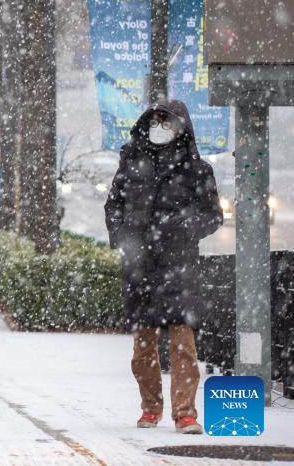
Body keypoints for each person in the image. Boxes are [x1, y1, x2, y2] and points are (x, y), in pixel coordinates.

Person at [104, 100, 223, 435]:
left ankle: (185, 413)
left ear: (180, 127)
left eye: (167, 122)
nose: (160, 127)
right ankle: (150, 407)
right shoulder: (132, 162)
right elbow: (114, 203)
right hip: (139, 267)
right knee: (143, 345)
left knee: (183, 344)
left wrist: (183, 232)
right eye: (155, 120)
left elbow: (213, 215)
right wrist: (122, 237)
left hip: (179, 266)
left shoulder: (197, 170)